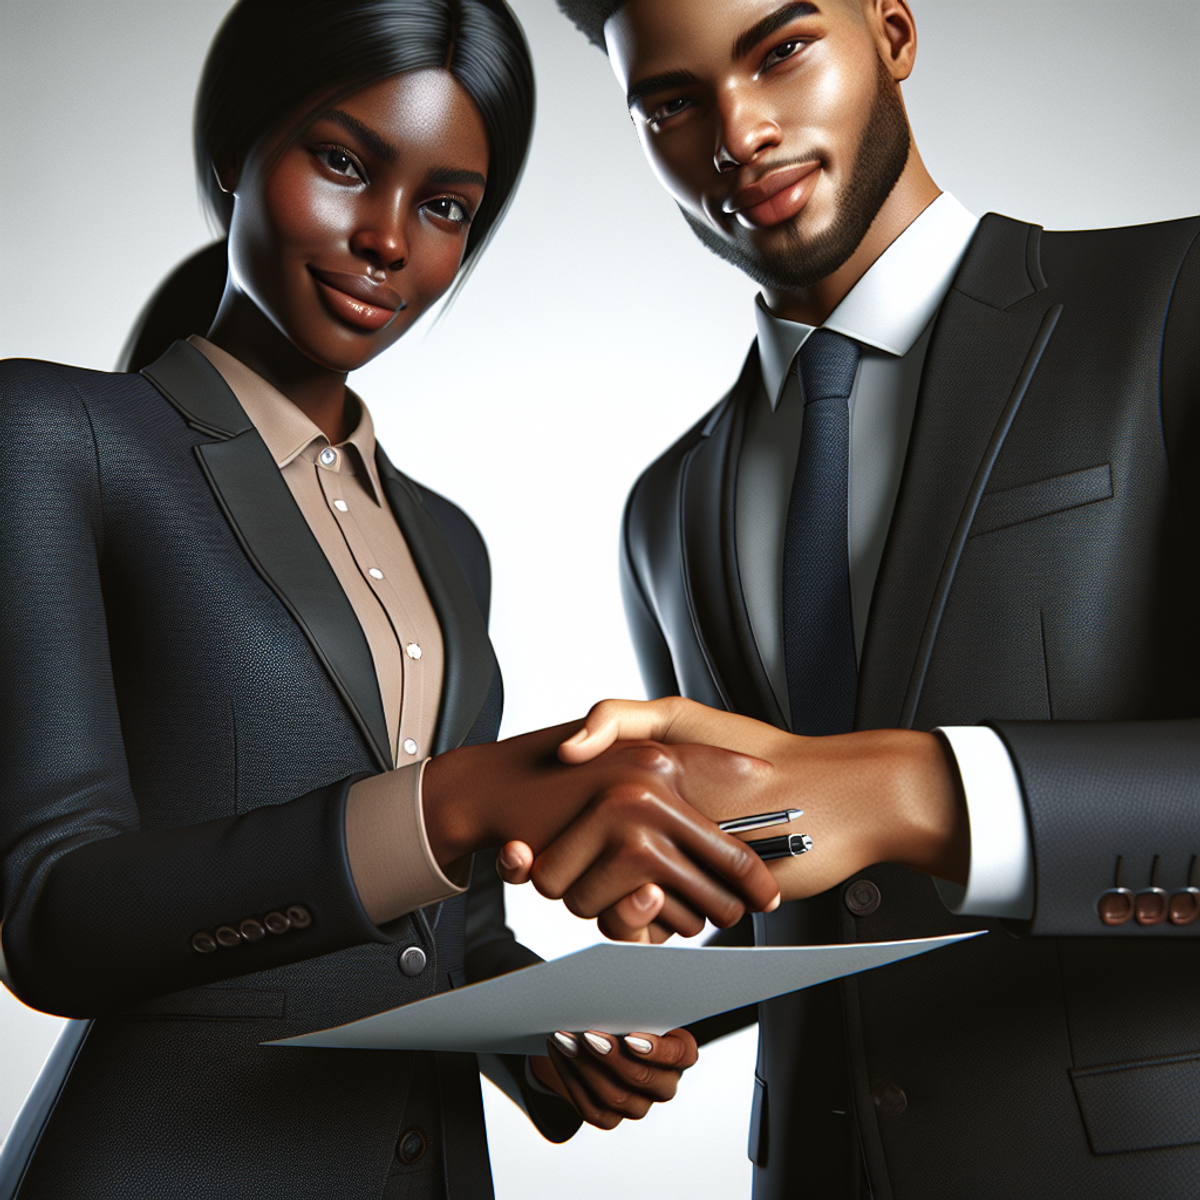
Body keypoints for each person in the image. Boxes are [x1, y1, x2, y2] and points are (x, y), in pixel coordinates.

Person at [0, 2, 785, 1196]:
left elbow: (449, 930)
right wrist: (455, 798)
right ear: (236, 148)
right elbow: (55, 919)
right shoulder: (59, 438)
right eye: (343, 163)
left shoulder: (447, 543)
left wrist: (549, 1044)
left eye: (444, 206)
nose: (385, 239)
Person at [535, 1, 1200, 1196]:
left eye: (780, 50)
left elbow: (859, 815)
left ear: (892, 31)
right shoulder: (665, 507)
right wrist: (634, 1000)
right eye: (673, 103)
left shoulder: (1173, 301)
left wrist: (912, 791)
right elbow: (773, 891)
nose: (736, 132)